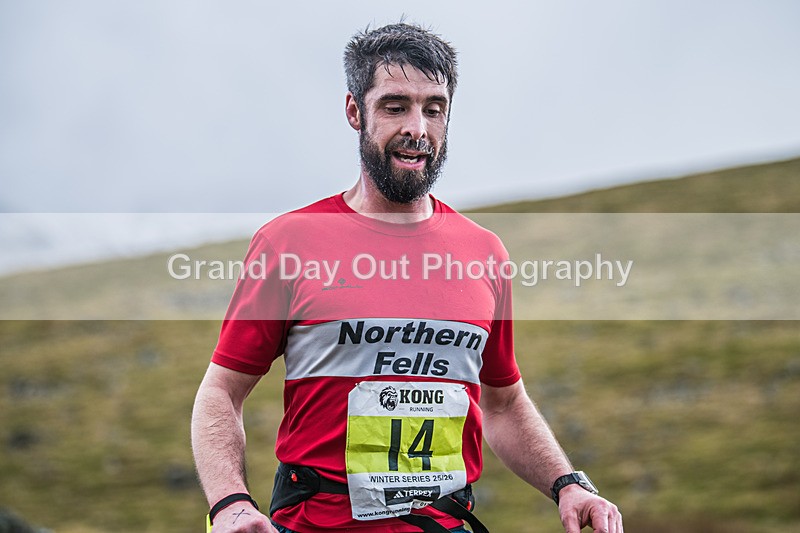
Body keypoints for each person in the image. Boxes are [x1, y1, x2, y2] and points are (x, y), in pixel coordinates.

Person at [191, 23, 624, 533]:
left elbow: (504, 403)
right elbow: (221, 392)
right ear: (355, 111)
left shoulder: (484, 253)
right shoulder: (289, 242)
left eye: (434, 108)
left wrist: (568, 482)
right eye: (395, 106)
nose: (417, 127)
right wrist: (230, 504)